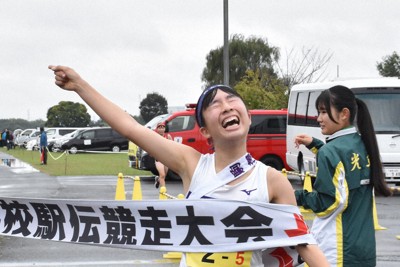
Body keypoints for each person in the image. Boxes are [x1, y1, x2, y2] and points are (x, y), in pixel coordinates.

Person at [48, 65, 329, 267]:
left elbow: (302, 243)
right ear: (205, 131)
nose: (227, 106)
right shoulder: (191, 164)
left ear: (246, 116)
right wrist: (80, 86)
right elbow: (131, 128)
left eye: (232, 99)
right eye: (215, 104)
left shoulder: (272, 180)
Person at [293, 85, 392, 267]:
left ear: (344, 114)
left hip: (337, 249)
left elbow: (328, 203)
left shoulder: (332, 151)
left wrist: (294, 196)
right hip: (364, 247)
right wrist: (315, 145)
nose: (319, 118)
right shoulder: (363, 142)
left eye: (323, 112)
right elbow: (343, 165)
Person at [154, 121, 172, 189]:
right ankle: (163, 192)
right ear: (157, 129)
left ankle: (158, 179)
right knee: (162, 174)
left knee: (163, 176)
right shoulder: (154, 137)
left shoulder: (168, 136)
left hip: (166, 159)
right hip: (158, 159)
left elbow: (173, 146)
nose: (161, 129)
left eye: (163, 127)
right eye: (159, 127)